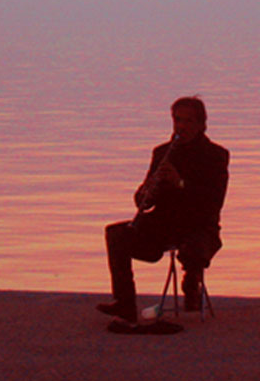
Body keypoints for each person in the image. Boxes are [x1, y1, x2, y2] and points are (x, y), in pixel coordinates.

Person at [97, 96, 229, 324]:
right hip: (164, 222)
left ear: (201, 124)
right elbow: (143, 202)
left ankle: (192, 280)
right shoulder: (163, 153)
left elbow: (212, 201)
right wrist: (145, 193)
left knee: (195, 247)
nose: (182, 127)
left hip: (198, 223)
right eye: (178, 120)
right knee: (116, 234)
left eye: (188, 121)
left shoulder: (215, 155)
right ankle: (125, 303)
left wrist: (179, 183)